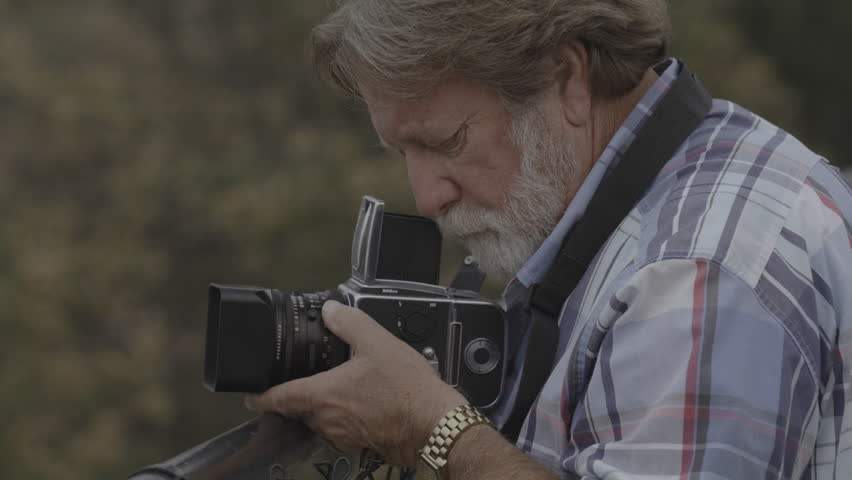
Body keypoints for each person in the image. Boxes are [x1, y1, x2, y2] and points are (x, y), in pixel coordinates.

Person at [246, 1, 852, 478]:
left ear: (567, 77)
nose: (428, 197)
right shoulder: (682, 180)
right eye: (402, 151)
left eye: (445, 141)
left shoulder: (696, 272)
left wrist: (434, 428)